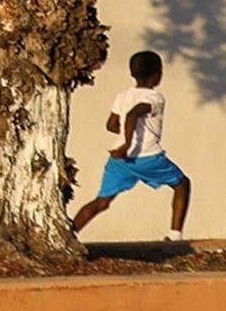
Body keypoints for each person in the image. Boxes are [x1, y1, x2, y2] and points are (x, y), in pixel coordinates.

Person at [70, 50, 191, 242]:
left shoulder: (123, 96)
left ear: (132, 73)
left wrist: (125, 140)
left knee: (101, 202)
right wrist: (128, 143)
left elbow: (111, 124)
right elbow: (135, 113)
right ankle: (175, 236)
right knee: (182, 184)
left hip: (119, 160)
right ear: (157, 75)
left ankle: (69, 234)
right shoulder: (155, 98)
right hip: (146, 156)